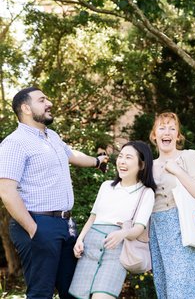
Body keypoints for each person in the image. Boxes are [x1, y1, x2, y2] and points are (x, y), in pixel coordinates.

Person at [0, 87, 108, 299]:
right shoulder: (14, 143)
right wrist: (34, 230)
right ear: (26, 108)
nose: (49, 103)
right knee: (41, 293)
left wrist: (97, 162)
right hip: (38, 223)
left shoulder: (52, 137)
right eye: (42, 100)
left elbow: (71, 155)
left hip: (65, 225)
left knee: (74, 292)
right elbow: (6, 191)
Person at [69, 141, 156, 298]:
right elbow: (92, 218)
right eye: (121, 156)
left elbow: (139, 228)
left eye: (128, 157)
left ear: (142, 165)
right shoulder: (106, 186)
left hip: (116, 252)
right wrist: (80, 240)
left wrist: (122, 234)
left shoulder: (146, 192)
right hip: (89, 248)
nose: (122, 161)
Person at [149, 112, 195, 299]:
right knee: (165, 289)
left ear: (178, 136)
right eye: (162, 127)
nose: (166, 132)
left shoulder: (188, 156)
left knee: (182, 290)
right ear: (154, 135)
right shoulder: (148, 166)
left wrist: (177, 170)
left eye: (172, 128)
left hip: (183, 226)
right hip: (157, 229)